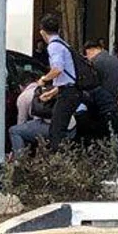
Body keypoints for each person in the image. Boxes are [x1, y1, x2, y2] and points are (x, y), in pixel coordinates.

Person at [36, 14, 80, 148]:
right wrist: (52, 93)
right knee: (59, 128)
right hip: (70, 91)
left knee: (56, 131)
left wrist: (43, 79)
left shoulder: (53, 46)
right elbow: (67, 78)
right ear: (59, 30)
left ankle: (59, 162)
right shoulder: (63, 44)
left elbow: (58, 69)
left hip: (68, 94)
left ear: (42, 32)